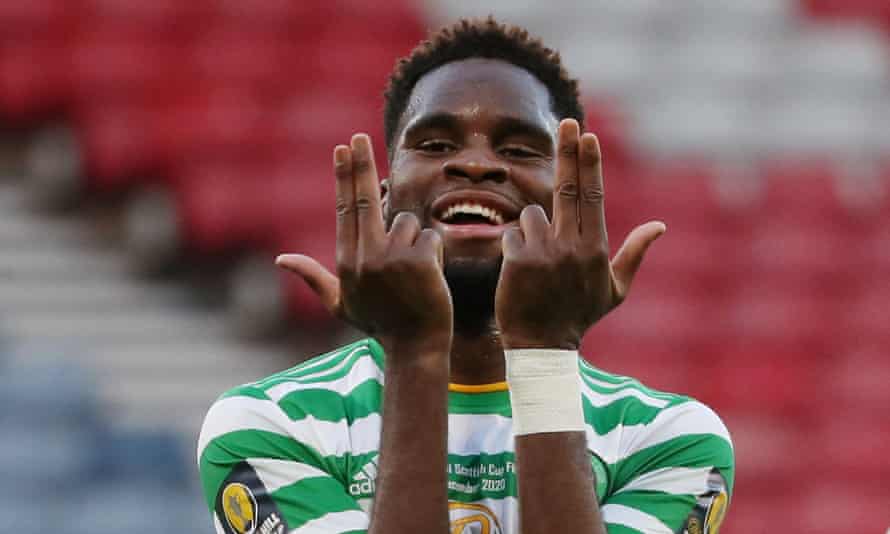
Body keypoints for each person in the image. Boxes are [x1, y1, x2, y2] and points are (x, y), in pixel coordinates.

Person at [198, 17, 734, 534]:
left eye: (519, 149)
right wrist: (414, 351)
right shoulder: (268, 424)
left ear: (573, 209)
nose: (476, 165)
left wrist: (543, 348)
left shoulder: (670, 441)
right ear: (383, 201)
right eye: (435, 145)